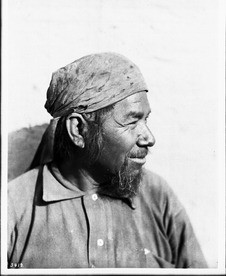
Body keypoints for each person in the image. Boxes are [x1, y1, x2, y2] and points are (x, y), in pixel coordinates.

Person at [8, 52, 208, 269]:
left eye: (145, 119)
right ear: (78, 129)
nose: (149, 138)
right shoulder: (13, 205)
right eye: (131, 122)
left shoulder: (157, 194)